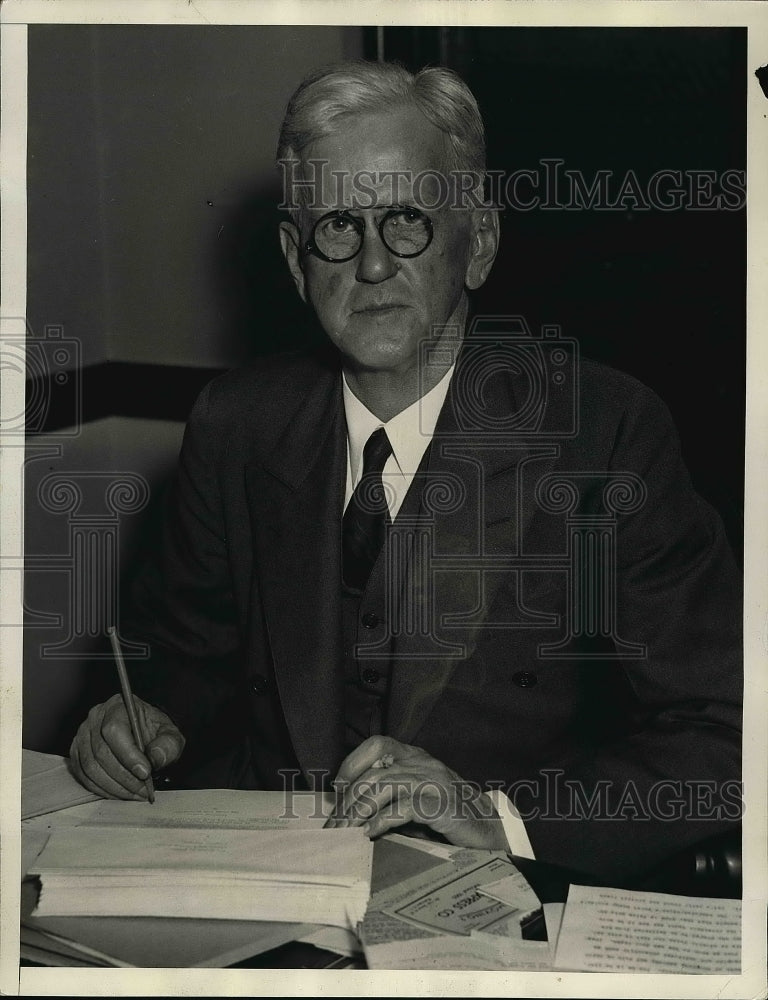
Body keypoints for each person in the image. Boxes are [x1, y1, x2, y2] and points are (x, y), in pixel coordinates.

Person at [69, 61, 741, 884]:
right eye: (339, 227)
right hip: (268, 889)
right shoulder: (236, 423)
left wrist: (497, 819)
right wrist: (144, 717)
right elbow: (189, 655)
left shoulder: (604, 436)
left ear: (480, 243)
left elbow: (727, 732)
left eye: (408, 221)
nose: (374, 265)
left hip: (500, 906)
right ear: (294, 257)